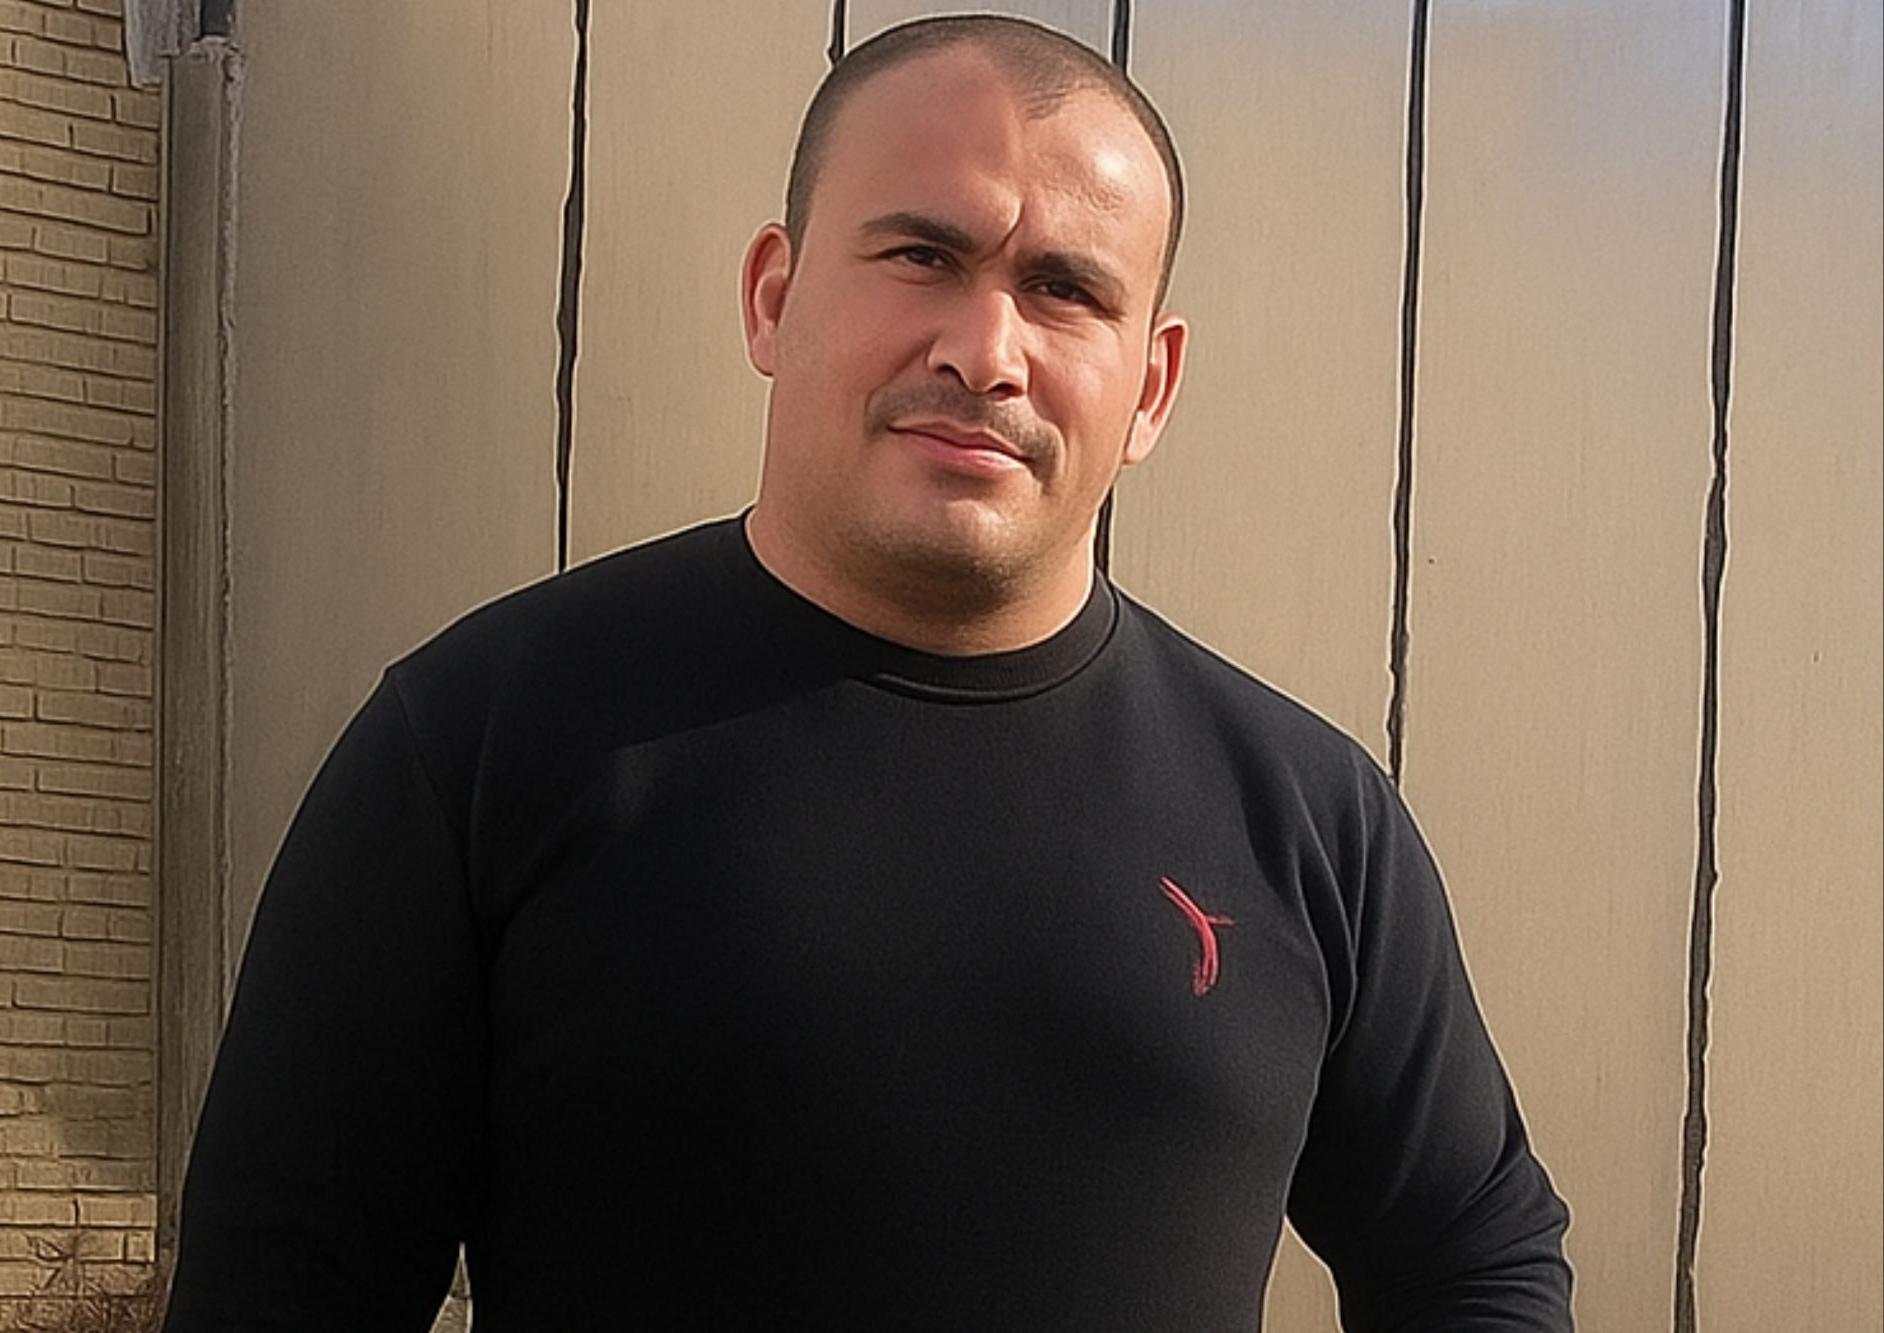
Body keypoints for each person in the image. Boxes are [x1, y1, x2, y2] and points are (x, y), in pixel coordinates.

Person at [162, 15, 1573, 1331]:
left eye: (1065, 290)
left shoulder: (1310, 821)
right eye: (921, 257)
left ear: (1149, 386)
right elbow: (283, 1282)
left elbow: (1476, 1255)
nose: (985, 352)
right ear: (773, 299)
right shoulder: (479, 746)